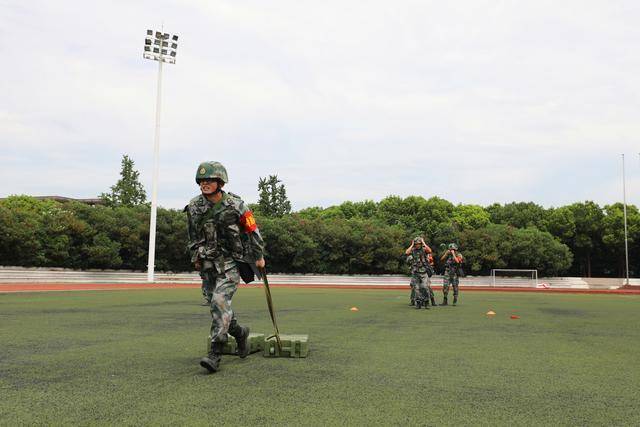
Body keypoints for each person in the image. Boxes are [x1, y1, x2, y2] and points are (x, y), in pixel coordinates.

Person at [185, 161, 265, 373]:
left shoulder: (237, 205)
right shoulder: (194, 207)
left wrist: (258, 256)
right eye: (202, 180)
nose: (205, 183)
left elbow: (252, 231)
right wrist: (196, 257)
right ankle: (240, 333)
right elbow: (192, 237)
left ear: (220, 181)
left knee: (220, 301)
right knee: (216, 305)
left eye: (210, 180)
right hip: (208, 264)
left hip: (231, 263)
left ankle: (215, 353)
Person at [405, 237, 436, 309]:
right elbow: (406, 252)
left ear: (421, 244)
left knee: (425, 287)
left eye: (419, 244)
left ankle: (426, 302)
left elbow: (430, 250)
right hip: (416, 272)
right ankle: (418, 303)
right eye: (416, 244)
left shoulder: (424, 249)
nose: (417, 245)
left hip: (424, 271)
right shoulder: (413, 250)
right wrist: (412, 244)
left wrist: (424, 242)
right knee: (416, 288)